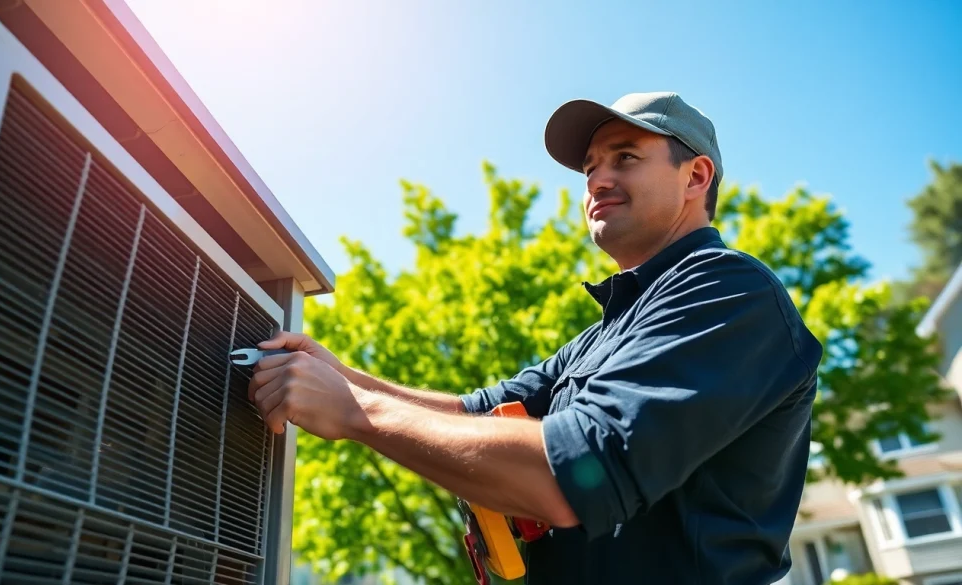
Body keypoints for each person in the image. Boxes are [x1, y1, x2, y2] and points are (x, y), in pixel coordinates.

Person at [247, 91, 823, 584]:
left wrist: (354, 411)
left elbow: (571, 472)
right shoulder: (607, 332)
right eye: (591, 167)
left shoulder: (729, 293)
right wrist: (336, 372)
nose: (598, 178)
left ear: (695, 176)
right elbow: (477, 414)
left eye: (625, 157)